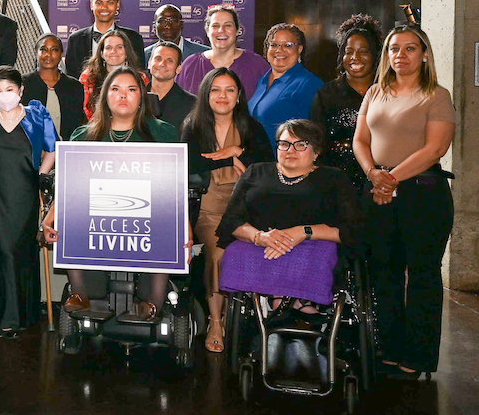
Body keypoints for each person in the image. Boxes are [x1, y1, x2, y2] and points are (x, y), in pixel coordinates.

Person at [353, 24, 455, 378]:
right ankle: (389, 350)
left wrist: (391, 178)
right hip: (378, 189)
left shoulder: (436, 95)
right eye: (395, 48)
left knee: (424, 275)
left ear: (424, 54)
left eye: (411, 48)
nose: (401, 54)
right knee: (385, 273)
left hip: (423, 193)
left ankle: (419, 357)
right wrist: (373, 175)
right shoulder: (375, 91)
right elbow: (360, 142)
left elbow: (435, 148)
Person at [56, 68, 181, 321]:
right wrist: (51, 219)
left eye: (131, 90)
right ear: (105, 97)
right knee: (69, 221)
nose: (123, 96)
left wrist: (184, 228)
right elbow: (69, 188)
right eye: (116, 89)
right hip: (96, 213)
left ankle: (152, 304)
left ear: (142, 97)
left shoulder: (164, 133)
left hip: (149, 215)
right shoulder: (84, 136)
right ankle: (79, 294)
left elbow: (173, 191)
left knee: (167, 226)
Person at [217, 119, 359, 323]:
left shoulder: (334, 178)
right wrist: (260, 237)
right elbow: (231, 221)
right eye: (284, 144)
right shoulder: (256, 172)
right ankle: (273, 302)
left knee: (320, 255)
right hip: (261, 245)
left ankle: (301, 307)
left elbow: (351, 230)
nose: (291, 150)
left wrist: (303, 232)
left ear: (316, 151)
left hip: (313, 245)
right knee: (234, 252)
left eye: (301, 144)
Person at [180, 68, 273, 353]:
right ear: (206, 95)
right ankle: (216, 321)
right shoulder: (193, 126)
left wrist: (236, 152)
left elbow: (267, 169)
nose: (223, 96)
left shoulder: (252, 127)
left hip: (247, 208)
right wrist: (232, 160)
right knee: (219, 253)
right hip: (207, 207)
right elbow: (189, 169)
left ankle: (251, 318)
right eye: (216, 90)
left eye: (229, 90)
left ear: (239, 95)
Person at [0, 66, 57, 335]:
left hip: (25, 193)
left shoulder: (37, 115)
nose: (4, 95)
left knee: (21, 251)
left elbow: (52, 150)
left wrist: (42, 174)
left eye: (10, 90)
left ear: (21, 91)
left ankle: (25, 313)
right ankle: (1, 314)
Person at [309, 14, 382, 190]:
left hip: (381, 184)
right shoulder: (326, 95)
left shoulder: (389, 91)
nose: (355, 57)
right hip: (337, 185)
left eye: (363, 51)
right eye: (349, 52)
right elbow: (316, 144)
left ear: (375, 55)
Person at [248, 23, 324, 147]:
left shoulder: (309, 84)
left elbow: (314, 135)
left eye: (288, 45)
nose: (279, 50)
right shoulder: (262, 80)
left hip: (286, 162)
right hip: (255, 161)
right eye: (274, 45)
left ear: (299, 49)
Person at [176, 5, 270, 100]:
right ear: (207, 31)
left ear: (237, 30)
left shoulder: (257, 64)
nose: (221, 30)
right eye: (215, 26)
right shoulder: (191, 65)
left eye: (228, 25)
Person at [63, 0, 145, 77]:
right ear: (91, 5)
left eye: (110, 3)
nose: (104, 7)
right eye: (99, 3)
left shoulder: (133, 38)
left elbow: (139, 74)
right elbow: (71, 77)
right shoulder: (76, 39)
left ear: (117, 5)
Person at [22, 33, 85, 140]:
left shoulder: (74, 86)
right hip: (30, 150)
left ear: (61, 54)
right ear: (36, 53)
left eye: (54, 50)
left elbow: (77, 124)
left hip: (65, 150)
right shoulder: (23, 83)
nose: (48, 54)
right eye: (44, 49)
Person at [78, 29, 147, 120]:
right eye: (108, 47)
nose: (113, 51)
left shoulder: (140, 78)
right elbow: (83, 109)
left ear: (127, 52)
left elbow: (145, 109)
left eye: (119, 47)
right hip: (96, 129)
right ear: (102, 53)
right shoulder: (88, 77)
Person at [147, 41, 196, 129]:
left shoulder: (193, 104)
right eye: (158, 58)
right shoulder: (134, 97)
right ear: (149, 64)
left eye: (170, 61)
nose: (162, 64)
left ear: (178, 68)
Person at [143, 3, 210, 61]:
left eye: (173, 21)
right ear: (154, 27)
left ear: (182, 25)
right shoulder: (144, 56)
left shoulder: (204, 54)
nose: (168, 26)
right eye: (162, 21)